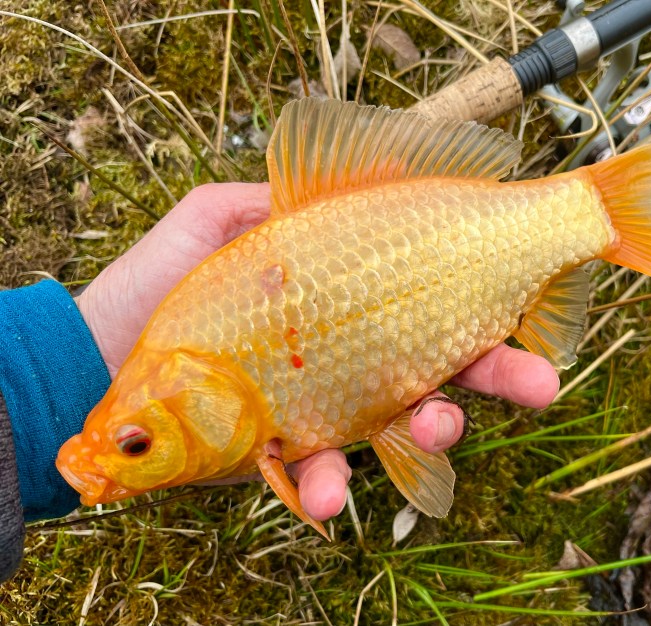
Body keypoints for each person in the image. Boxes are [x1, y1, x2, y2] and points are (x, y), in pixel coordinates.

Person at [0, 183, 560, 583]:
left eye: (136, 444)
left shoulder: (172, 338)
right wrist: (57, 381)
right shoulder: (161, 344)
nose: (111, 458)